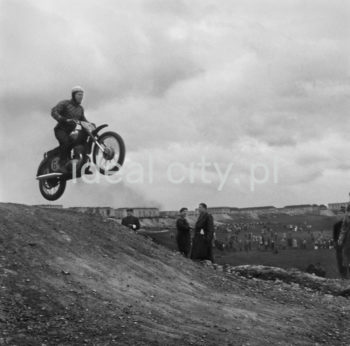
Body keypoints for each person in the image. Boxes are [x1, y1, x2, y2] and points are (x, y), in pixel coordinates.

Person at [51, 86, 90, 173]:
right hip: (60, 130)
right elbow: (54, 111)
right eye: (79, 94)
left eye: (82, 95)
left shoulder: (80, 109)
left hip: (70, 132)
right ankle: (61, 165)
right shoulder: (65, 103)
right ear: (73, 95)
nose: (81, 97)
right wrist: (63, 119)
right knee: (65, 142)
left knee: (81, 141)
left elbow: (83, 120)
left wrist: (90, 125)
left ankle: (82, 164)